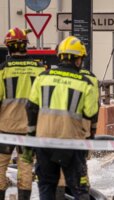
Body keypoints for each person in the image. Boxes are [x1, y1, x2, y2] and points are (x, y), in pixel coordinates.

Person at [26, 36, 99, 199]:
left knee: (46, 186)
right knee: (79, 189)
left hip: (44, 142)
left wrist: (31, 135)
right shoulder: (86, 83)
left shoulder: (42, 77)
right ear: (78, 60)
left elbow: (31, 108)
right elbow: (90, 113)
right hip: (71, 142)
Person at [0, 27, 46, 200]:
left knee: (0, 166)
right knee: (26, 166)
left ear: (10, 48)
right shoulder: (40, 69)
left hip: (5, 128)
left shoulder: (3, 70)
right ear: (25, 46)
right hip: (30, 128)